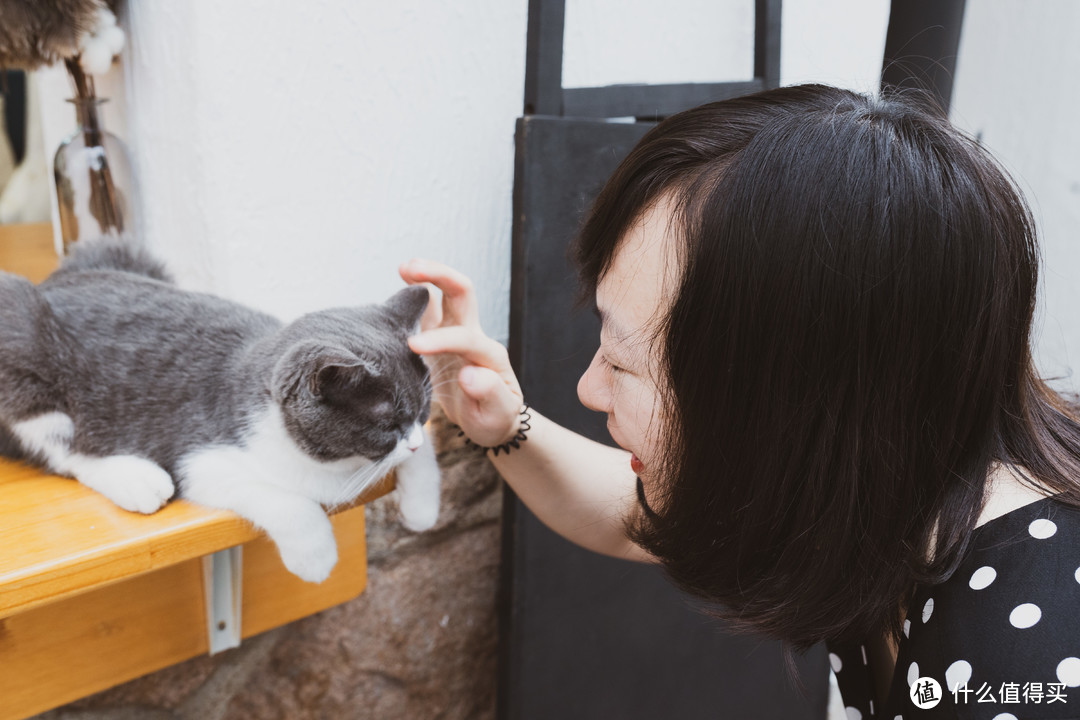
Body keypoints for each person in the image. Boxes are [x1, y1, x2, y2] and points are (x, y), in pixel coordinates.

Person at [399, 84, 1080, 719]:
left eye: (624, 364)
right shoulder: (893, 483)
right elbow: (630, 512)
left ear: (785, 404)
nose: (588, 387)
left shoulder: (1026, 662)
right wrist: (504, 426)